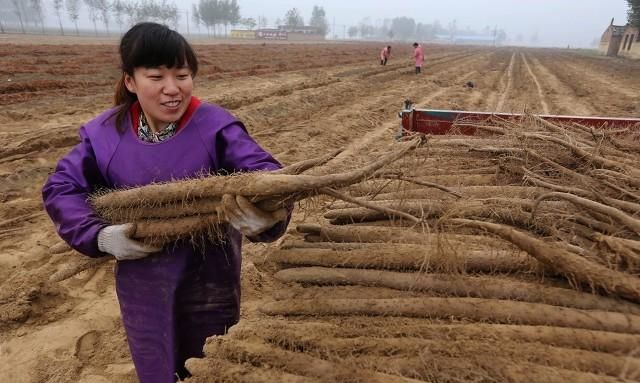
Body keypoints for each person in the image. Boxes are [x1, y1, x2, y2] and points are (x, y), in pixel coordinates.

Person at [42, 22, 291, 383]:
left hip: (209, 278)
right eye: (156, 76)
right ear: (131, 81)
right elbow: (61, 187)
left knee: (208, 367)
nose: (172, 89)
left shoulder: (216, 127)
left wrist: (267, 215)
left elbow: (269, 175)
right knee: (155, 367)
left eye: (183, 75)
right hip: (142, 281)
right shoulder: (104, 135)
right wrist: (99, 236)